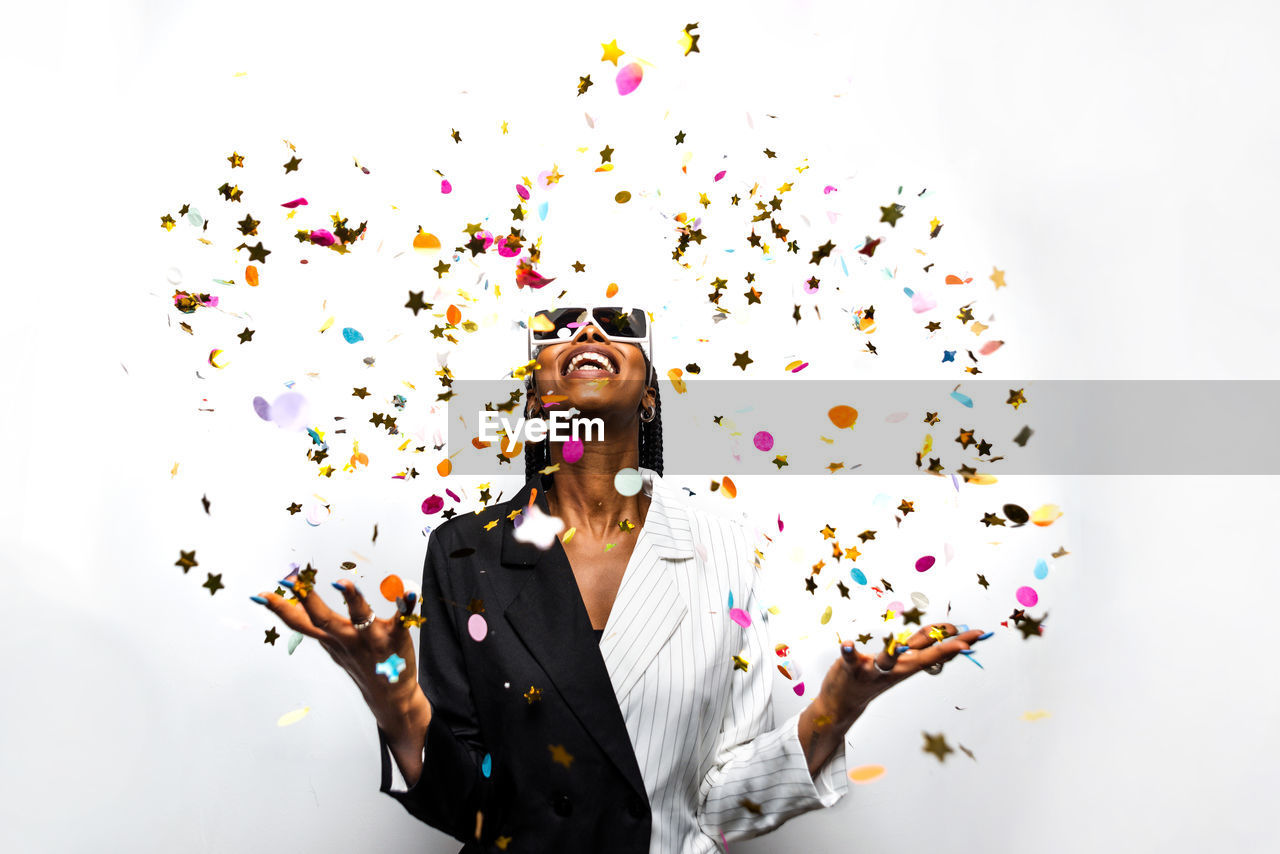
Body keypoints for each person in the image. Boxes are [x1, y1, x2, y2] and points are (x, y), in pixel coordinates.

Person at [253, 305, 989, 853]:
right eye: (558, 325)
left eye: (616, 322)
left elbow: (722, 803)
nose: (586, 331)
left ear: (649, 395)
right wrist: (399, 701)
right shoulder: (463, 552)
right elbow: (469, 807)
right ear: (537, 392)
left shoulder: (721, 548)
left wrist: (837, 705)